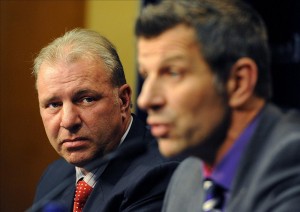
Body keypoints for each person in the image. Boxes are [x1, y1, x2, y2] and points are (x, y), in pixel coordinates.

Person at [135, 0, 300, 211]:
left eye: (172, 73)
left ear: (238, 83)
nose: (145, 100)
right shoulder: (186, 177)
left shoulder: (291, 160)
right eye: (146, 76)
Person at [31, 28, 179, 212]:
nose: (68, 121)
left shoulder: (157, 174)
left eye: (86, 99)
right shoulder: (54, 177)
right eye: (54, 104)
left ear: (123, 101)